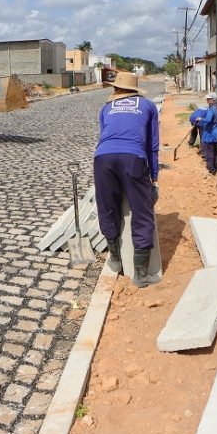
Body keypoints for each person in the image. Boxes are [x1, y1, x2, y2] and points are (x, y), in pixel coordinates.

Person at [94, 70, 161, 288]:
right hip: (134, 158)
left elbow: (105, 136)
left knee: (107, 208)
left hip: (103, 158)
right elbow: (152, 145)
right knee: (142, 212)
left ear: (115, 90)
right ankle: (140, 275)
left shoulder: (106, 108)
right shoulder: (148, 106)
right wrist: (153, 180)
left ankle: (115, 258)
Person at [197, 92, 217, 174]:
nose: (207, 100)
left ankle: (211, 169)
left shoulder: (211, 110)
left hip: (211, 134)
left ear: (213, 100)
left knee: (210, 151)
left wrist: (200, 119)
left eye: (208, 99)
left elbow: (208, 120)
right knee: (215, 151)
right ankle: (216, 167)